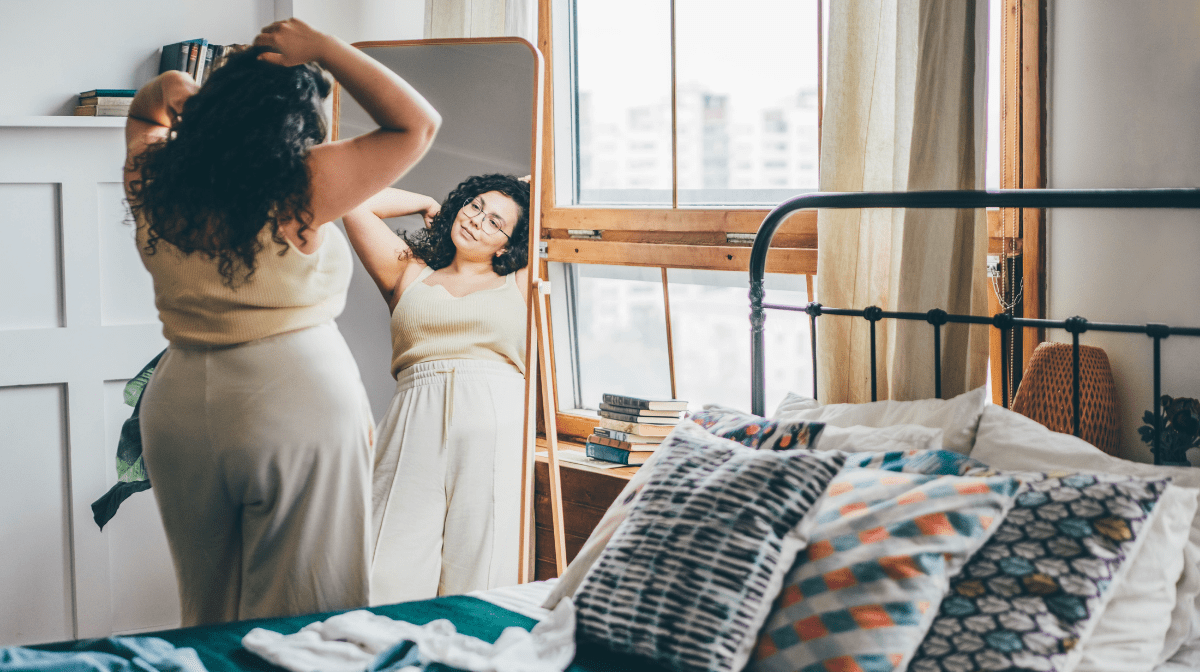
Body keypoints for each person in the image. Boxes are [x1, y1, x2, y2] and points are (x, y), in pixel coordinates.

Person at [124, 19, 441, 625]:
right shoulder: (298, 185)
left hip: (181, 403)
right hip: (291, 398)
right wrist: (323, 47)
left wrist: (192, 94)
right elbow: (415, 124)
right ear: (295, 125)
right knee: (307, 610)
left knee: (207, 607)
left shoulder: (159, 176)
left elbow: (149, 106)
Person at [341, 174, 530, 604]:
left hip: (495, 420)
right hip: (414, 416)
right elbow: (354, 198)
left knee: (482, 572)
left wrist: (529, 188)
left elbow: (559, 218)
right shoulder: (407, 271)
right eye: (475, 206)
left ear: (507, 244)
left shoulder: (519, 282)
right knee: (383, 568)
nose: (478, 220)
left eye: (496, 222)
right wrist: (428, 202)